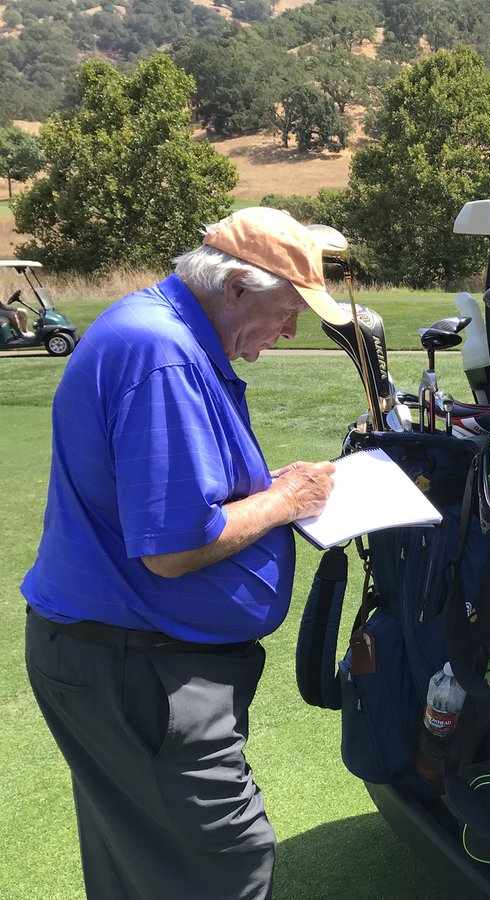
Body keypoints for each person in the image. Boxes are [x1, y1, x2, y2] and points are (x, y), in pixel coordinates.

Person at [22, 207, 353, 898]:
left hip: (121, 654)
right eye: (288, 308)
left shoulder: (163, 331)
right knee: (224, 863)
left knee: (144, 865)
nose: (292, 329)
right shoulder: (163, 352)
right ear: (234, 287)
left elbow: (183, 494)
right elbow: (174, 548)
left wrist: (271, 486)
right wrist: (289, 502)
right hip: (139, 665)